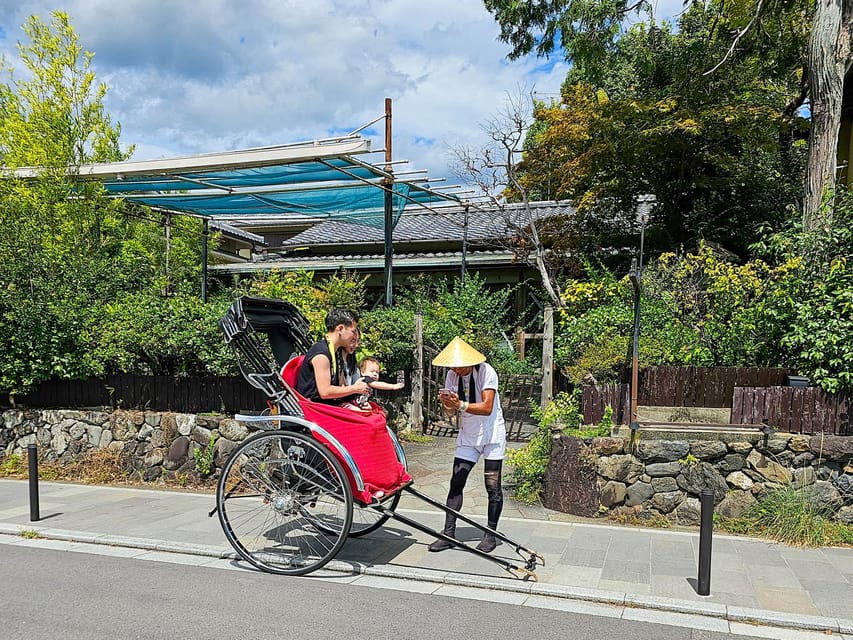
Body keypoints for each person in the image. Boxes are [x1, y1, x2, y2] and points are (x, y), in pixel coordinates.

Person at [427, 336, 506, 553]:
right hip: (468, 434)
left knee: (492, 485)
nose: (456, 369)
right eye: (454, 365)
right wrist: (448, 404)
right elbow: (452, 412)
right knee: (456, 480)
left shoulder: (486, 372)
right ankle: (448, 532)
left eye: (460, 365)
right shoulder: (452, 376)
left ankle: (491, 534)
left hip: (492, 434)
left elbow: (487, 406)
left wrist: (459, 404)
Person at [295, 307, 371, 405]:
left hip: (328, 403)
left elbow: (342, 386)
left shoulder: (337, 352)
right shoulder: (321, 353)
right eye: (353, 331)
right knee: (366, 419)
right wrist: (354, 389)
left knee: (371, 413)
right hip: (313, 406)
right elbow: (325, 392)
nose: (354, 336)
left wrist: (358, 401)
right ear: (340, 329)